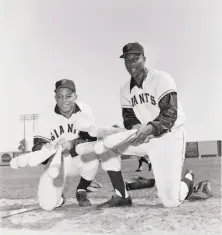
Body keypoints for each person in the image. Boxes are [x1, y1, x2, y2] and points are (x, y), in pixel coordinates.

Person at [98, 42, 207, 208]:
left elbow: (170, 114)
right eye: (128, 60)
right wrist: (134, 130)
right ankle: (122, 195)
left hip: (171, 136)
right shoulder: (125, 89)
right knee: (105, 143)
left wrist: (147, 129)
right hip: (146, 138)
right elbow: (128, 117)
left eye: (136, 59)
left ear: (144, 59)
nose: (131, 64)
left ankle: (188, 179)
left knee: (170, 201)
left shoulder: (162, 79)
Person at [32, 79, 100, 211]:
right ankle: (59, 195)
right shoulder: (47, 115)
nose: (64, 100)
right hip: (57, 164)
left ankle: (82, 190)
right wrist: (47, 149)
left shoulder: (85, 110)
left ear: (75, 96)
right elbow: (36, 148)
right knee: (49, 204)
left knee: (93, 153)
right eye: (60, 96)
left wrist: (70, 145)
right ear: (55, 98)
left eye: (68, 96)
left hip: (79, 158)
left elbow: (91, 139)